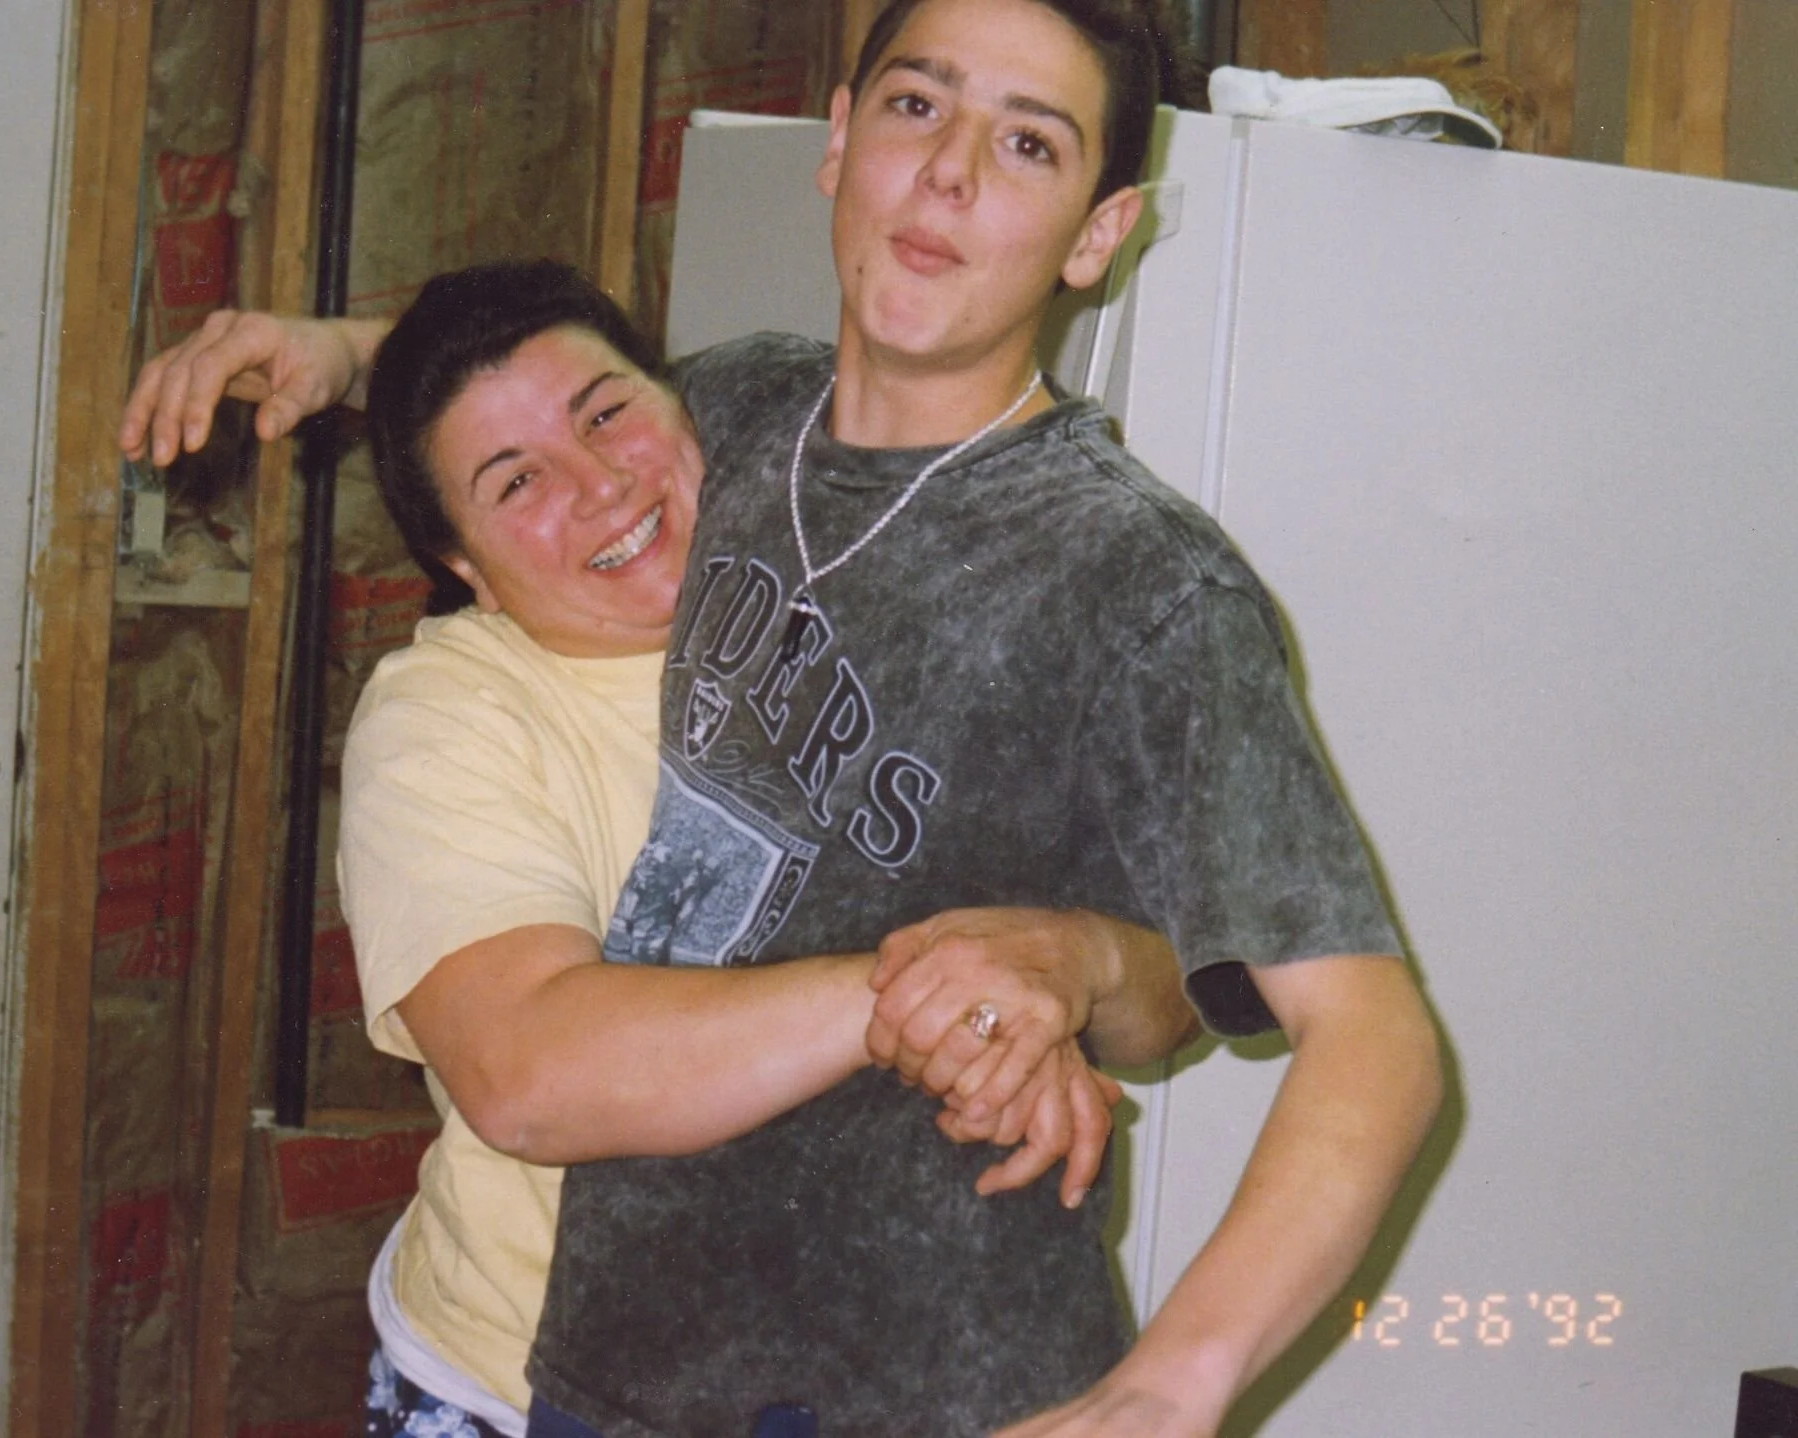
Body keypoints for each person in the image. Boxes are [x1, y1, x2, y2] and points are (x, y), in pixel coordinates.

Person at [122, 2, 1444, 1431]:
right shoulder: (739, 415)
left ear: (1096, 231)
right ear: (839, 142)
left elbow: (1375, 1037)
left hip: (934, 1380)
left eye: (1026, 142)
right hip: (610, 1370)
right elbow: (540, 402)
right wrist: (343, 351)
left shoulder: (1142, 585)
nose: (949, 175)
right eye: (918, 108)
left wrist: (1174, 1380)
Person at [121, 263, 1195, 1438]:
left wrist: (1069, 960)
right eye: (514, 482)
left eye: (609, 415)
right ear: (464, 570)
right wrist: (933, 999)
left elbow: (1167, 1000)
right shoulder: (447, 716)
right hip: (534, 1388)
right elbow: (526, 1074)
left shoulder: (856, 559)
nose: (597, 485)